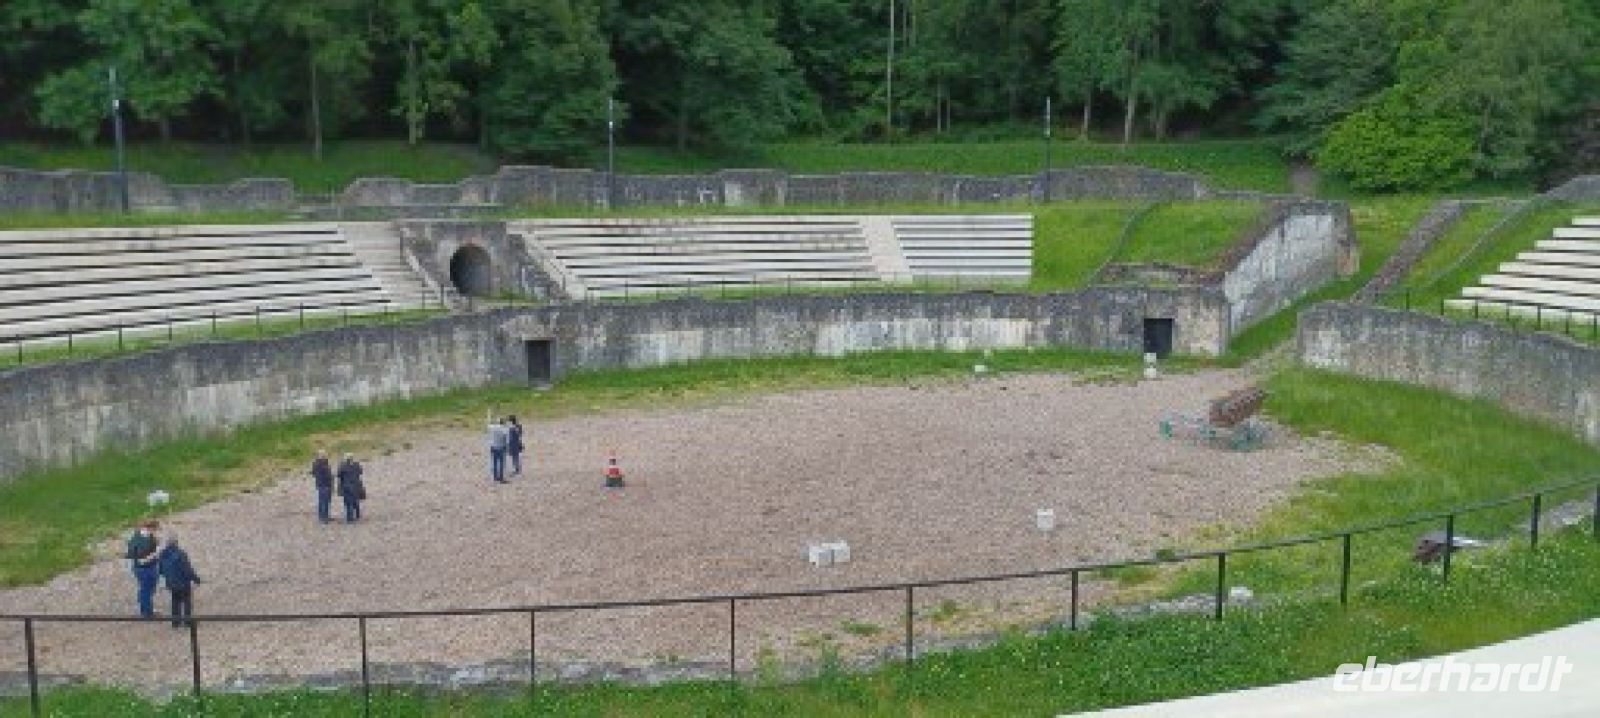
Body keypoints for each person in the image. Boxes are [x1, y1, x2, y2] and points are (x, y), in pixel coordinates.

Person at [157, 532, 201, 628]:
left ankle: (175, 622)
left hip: (171, 583)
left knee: (175, 601)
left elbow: (160, 570)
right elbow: (187, 570)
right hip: (183, 583)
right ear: (176, 543)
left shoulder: (162, 554)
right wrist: (196, 579)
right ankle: (187, 621)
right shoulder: (181, 554)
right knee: (187, 601)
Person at [124, 520, 161, 618]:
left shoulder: (145, 536)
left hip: (150, 567)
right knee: (146, 590)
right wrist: (155, 553)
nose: (155, 532)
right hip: (144, 569)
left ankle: (147, 608)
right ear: (150, 528)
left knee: (149, 589)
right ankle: (146, 612)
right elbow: (141, 561)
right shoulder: (140, 542)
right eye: (155, 529)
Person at [337, 453, 366, 522]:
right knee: (355, 501)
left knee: (348, 502)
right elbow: (360, 472)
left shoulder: (343, 466)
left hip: (347, 486)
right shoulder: (356, 465)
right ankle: (357, 515)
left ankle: (350, 518)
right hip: (356, 485)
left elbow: (339, 474)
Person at [311, 450, 335, 523]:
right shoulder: (320, 464)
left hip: (323, 484)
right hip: (324, 484)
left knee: (325, 501)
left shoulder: (318, 463)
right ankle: (323, 518)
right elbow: (325, 474)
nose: (325, 456)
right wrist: (330, 476)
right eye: (324, 455)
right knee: (324, 502)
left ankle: (325, 516)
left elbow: (313, 473)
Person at [487, 416, 510, 483]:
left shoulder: (493, 427)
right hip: (501, 447)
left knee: (494, 462)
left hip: (493, 447)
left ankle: (495, 477)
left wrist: (489, 414)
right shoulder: (504, 430)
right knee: (501, 463)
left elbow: (488, 424)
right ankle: (501, 477)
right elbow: (507, 440)